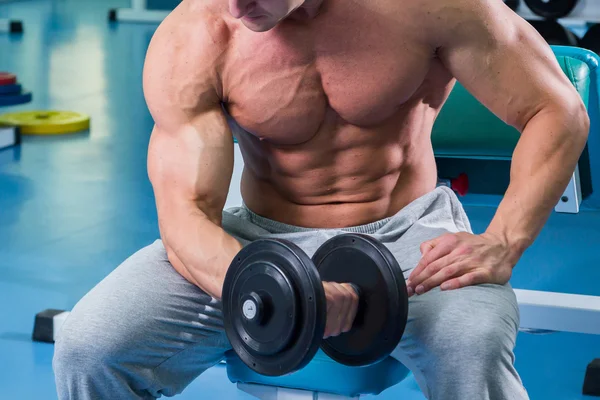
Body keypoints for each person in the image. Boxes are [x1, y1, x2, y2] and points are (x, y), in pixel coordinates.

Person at [53, 0, 589, 399]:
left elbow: (557, 110)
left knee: (472, 347)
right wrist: (296, 292)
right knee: (89, 346)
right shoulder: (197, 34)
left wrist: (503, 241)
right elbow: (185, 216)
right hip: (255, 243)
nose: (237, 7)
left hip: (406, 237)